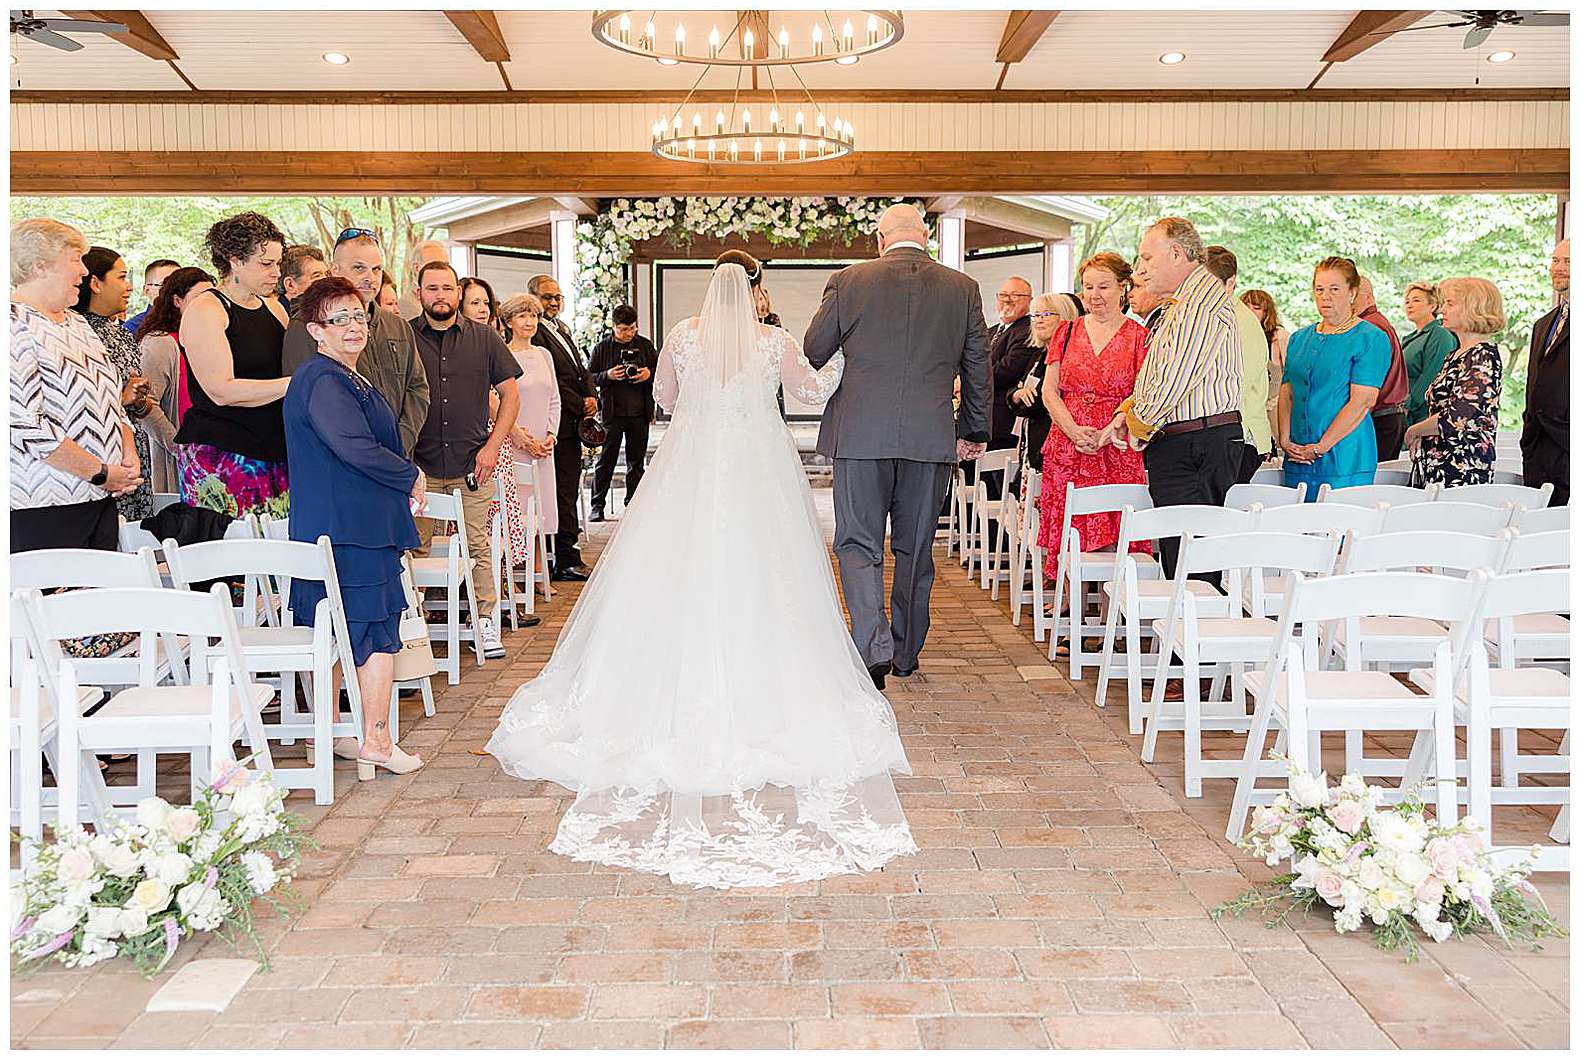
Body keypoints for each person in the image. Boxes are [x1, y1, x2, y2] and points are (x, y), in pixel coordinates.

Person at [486, 255, 917, 889]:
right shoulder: (773, 340)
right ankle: (761, 683)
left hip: (691, 466)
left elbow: (663, 397)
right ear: (756, 293)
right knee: (771, 574)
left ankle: (659, 685)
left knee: (673, 568)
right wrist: (849, 357)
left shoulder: (684, 335)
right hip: (757, 468)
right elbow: (810, 391)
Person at [805, 203, 991, 686]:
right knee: (915, 548)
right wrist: (972, 431)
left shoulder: (849, 281)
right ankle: (906, 652)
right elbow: (977, 367)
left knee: (857, 543)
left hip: (861, 435)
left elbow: (814, 348)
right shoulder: (963, 289)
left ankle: (873, 648)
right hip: (929, 437)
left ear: (880, 239)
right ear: (924, 236)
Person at [283, 276, 425, 779]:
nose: (352, 327)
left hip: (347, 525)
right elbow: (353, 446)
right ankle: (378, 740)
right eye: (337, 319)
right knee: (373, 635)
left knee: (345, 635)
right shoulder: (323, 379)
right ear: (315, 330)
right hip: (350, 530)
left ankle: (341, 729)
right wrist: (410, 474)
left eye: (358, 316)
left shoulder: (344, 375)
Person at [1104, 217, 1242, 577]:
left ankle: (1189, 631)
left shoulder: (1199, 303)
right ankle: (1181, 629)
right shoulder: (1182, 303)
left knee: (1191, 568)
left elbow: (1172, 382)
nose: (1140, 270)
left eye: (1147, 259)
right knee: (1180, 559)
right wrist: (1128, 410)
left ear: (1177, 253)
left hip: (1195, 444)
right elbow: (1158, 373)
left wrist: (1136, 422)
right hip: (1188, 442)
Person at [409, 261, 521, 659]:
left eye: (447, 288)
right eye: (432, 288)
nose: (440, 295)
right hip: (418, 468)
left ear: (457, 293)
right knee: (414, 549)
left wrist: (493, 446)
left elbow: (511, 396)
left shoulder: (485, 339)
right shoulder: (403, 337)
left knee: (477, 547)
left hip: (471, 463)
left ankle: (485, 623)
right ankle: (413, 632)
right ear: (418, 291)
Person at [10, 218, 142, 553]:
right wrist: (99, 472)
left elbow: (112, 397)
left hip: (99, 497)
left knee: (100, 600)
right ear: (40, 266)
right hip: (44, 505)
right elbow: (24, 424)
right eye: (74, 260)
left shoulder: (78, 323)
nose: (84, 272)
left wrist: (126, 452)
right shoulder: (12, 324)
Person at [1037, 253, 1151, 578]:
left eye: (1103, 286)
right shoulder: (1067, 332)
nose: (1094, 295)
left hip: (1115, 442)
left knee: (1116, 519)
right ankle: (1070, 597)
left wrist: (1106, 432)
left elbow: (1142, 394)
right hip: (1067, 440)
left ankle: (1111, 602)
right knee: (1069, 519)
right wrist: (1073, 430)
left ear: (1122, 288)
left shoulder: (1139, 337)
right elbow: (1049, 391)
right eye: (1087, 287)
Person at [174, 211, 291, 519]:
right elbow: (222, 390)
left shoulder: (275, 309)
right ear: (235, 260)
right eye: (266, 264)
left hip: (273, 448)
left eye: (278, 263)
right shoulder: (206, 309)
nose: (276, 272)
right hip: (222, 453)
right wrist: (297, 382)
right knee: (232, 558)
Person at [281, 228, 430, 456]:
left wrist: (400, 442)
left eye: (377, 269)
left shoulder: (398, 326)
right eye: (359, 268)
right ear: (334, 270)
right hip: (341, 467)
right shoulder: (307, 325)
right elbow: (311, 403)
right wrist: (370, 452)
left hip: (398, 460)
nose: (370, 278)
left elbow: (417, 388)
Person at [1278, 257, 1390, 498]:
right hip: (1297, 455)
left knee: (1338, 528)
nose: (1325, 296)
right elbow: (1287, 393)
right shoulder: (1298, 338)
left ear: (1352, 292)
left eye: (1334, 289)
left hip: (1344, 456)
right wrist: (1285, 440)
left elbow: (1362, 402)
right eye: (1319, 289)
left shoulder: (1371, 338)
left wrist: (1320, 448)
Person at [74, 246, 163, 520]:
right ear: (95, 283)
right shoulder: (77, 332)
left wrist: (137, 398)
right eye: (122, 277)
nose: (129, 287)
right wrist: (120, 399)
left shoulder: (120, 332)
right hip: (102, 455)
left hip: (135, 448)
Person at [527, 273, 597, 581]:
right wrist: (578, 403)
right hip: (560, 423)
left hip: (573, 421)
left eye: (558, 297)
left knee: (568, 488)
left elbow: (580, 370)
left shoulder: (562, 330)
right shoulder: (537, 336)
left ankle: (568, 553)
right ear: (533, 300)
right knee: (562, 492)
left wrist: (592, 395)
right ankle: (565, 557)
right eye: (547, 297)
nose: (554, 302)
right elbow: (555, 382)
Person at [1404, 277, 1505, 488]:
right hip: (1441, 461)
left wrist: (1414, 430)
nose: (1442, 310)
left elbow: (1458, 417)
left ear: (1472, 308)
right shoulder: (1457, 354)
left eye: (1450, 303)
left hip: (1462, 465)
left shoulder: (1481, 356)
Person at [495, 293, 559, 610]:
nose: (529, 322)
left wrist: (551, 434)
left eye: (533, 316)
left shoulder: (544, 355)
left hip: (543, 445)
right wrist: (521, 437)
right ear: (508, 322)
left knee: (541, 507)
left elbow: (554, 398)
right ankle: (515, 573)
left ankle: (537, 571)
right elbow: (499, 400)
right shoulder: (503, 355)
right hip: (515, 442)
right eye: (522, 316)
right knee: (518, 507)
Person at [135, 266, 214, 493]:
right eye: (200, 298)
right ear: (177, 301)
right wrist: (179, 447)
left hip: (208, 455)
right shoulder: (159, 343)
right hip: (178, 461)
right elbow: (146, 405)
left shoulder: (208, 339)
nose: (208, 305)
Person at [1203, 246, 1272, 482]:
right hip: (1224, 433)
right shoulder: (1213, 315)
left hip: (1240, 435)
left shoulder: (1239, 322)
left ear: (1230, 283)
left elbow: (1234, 386)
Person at [586, 303, 658, 521]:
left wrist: (648, 373)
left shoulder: (645, 346)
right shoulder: (602, 348)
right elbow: (589, 378)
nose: (629, 334)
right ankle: (597, 505)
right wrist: (608, 375)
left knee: (636, 463)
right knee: (605, 461)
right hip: (612, 413)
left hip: (639, 412)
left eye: (633, 328)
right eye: (624, 329)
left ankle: (633, 504)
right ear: (613, 326)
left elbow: (660, 372)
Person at [1010, 292, 1081, 473]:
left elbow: (1037, 403)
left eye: (1046, 314)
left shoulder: (1070, 357)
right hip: (1031, 445)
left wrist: (1020, 397)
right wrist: (1016, 395)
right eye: (1035, 315)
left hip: (1055, 444)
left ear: (1065, 317)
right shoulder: (1038, 354)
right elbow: (1018, 391)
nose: (1038, 320)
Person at [1522, 239, 1569, 505]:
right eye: (1555, 260)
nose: (1558, 268)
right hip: (1538, 448)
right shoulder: (1543, 324)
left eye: (1568, 261)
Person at [1355, 275, 1409, 461]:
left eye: (1354, 294)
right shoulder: (1377, 322)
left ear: (1369, 298)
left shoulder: (1369, 327)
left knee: (1371, 485)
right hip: (1390, 416)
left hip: (1379, 417)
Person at [1401, 282, 1458, 427]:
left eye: (1416, 300)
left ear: (1432, 306)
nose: (1409, 305)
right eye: (1407, 301)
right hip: (1406, 412)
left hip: (1423, 415)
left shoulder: (1439, 335)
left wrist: (1408, 404)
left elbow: (1432, 376)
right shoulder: (1411, 337)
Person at [1240, 289, 1288, 449]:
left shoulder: (1279, 337)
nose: (1251, 311)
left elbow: (1292, 376)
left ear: (1267, 312)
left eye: (1256, 307)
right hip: (1249, 408)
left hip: (1276, 407)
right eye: (1247, 306)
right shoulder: (1236, 336)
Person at [123, 258, 178, 337]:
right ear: (146, 290)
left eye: (179, 284)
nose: (175, 290)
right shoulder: (131, 329)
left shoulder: (191, 322)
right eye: (165, 284)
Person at [400, 239, 450, 320]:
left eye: (446, 265)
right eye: (435, 265)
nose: (443, 270)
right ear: (416, 268)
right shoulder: (405, 306)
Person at [278, 244, 328, 314]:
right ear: (290, 285)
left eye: (326, 274)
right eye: (317, 276)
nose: (327, 281)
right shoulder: (277, 318)